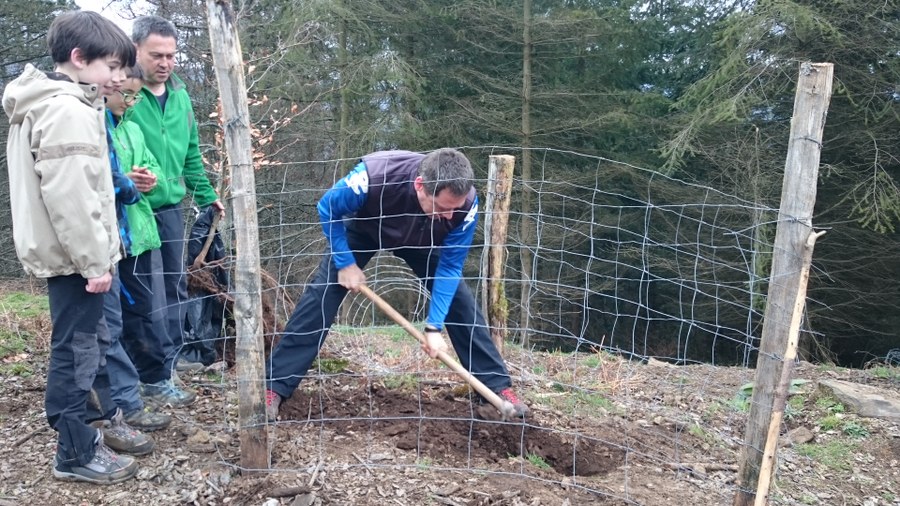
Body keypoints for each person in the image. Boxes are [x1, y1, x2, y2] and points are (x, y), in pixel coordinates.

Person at [265, 149, 528, 420]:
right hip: (365, 230)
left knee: (461, 303)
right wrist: (345, 263)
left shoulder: (465, 207)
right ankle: (275, 386)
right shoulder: (372, 178)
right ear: (420, 186)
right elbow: (327, 207)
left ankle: (495, 388)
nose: (451, 215)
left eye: (455, 208)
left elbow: (449, 267)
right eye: (443, 207)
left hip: (424, 237)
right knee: (320, 298)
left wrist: (434, 326)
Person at [3, 10, 139, 484]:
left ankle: (92, 432)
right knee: (77, 350)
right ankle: (74, 453)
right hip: (78, 259)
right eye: (111, 66)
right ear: (79, 59)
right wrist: (93, 261)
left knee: (88, 344)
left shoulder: (56, 104)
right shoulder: (66, 111)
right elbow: (73, 198)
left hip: (77, 256)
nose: (118, 77)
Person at [128, 15, 225, 374]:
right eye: (157, 55)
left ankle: (170, 357)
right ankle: (139, 362)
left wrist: (205, 195)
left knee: (174, 285)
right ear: (135, 49)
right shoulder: (124, 95)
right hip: (132, 209)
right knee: (140, 288)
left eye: (171, 55)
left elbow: (190, 154)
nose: (165, 63)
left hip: (170, 206)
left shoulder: (181, 95)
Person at [106, 66, 197, 410]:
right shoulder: (100, 128)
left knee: (149, 306)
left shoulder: (130, 129)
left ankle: (156, 377)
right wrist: (124, 181)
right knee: (128, 313)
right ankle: (145, 381)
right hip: (117, 235)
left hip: (140, 232)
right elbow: (98, 175)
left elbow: (153, 164)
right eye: (126, 94)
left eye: (134, 95)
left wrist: (151, 178)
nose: (130, 102)